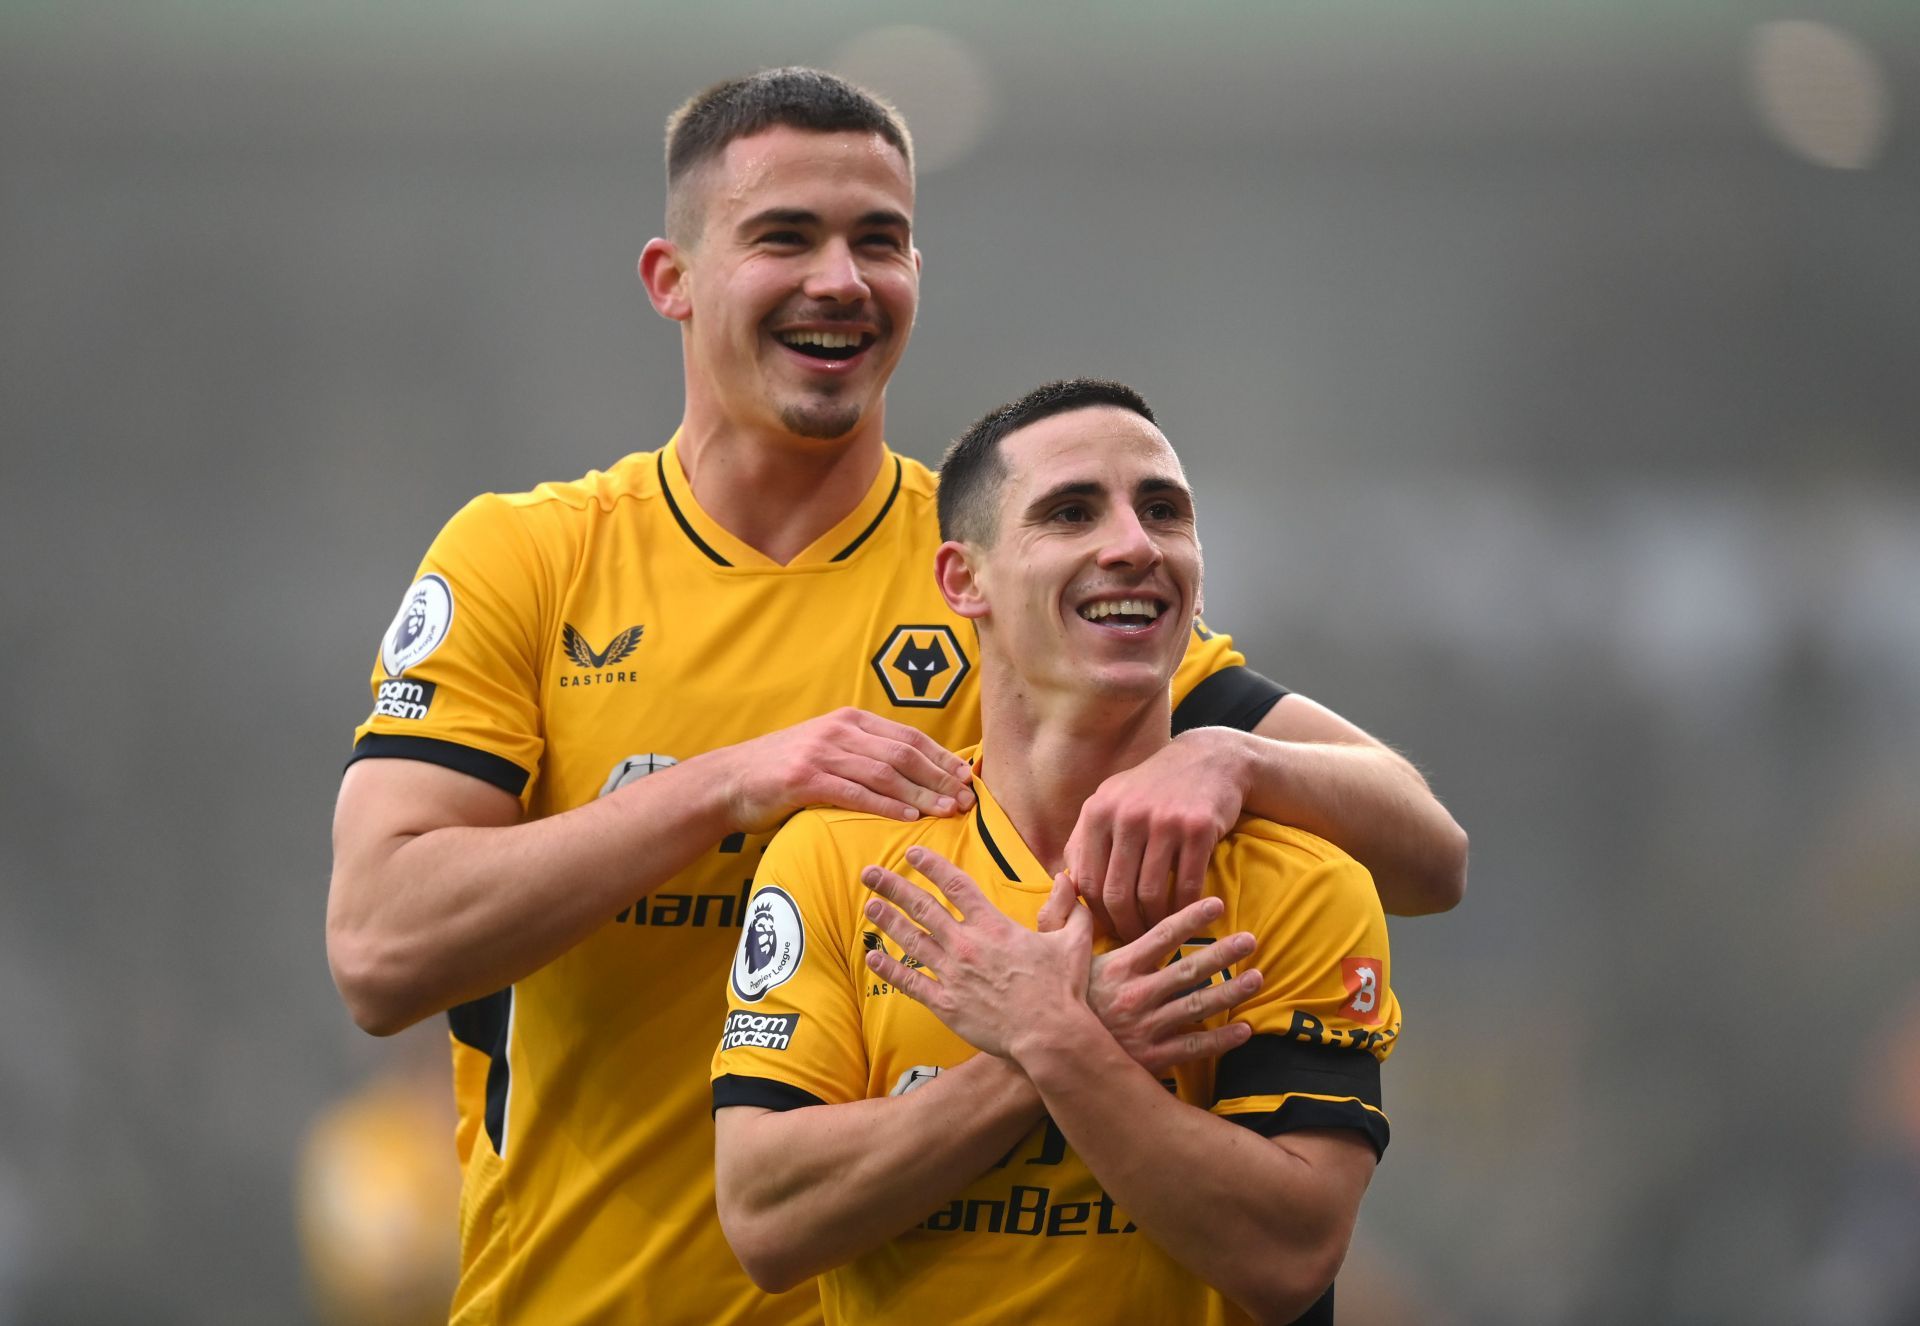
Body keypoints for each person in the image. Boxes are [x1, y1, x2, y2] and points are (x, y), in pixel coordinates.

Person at [326, 68, 1462, 1326]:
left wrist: (1242, 764)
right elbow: (379, 950)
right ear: (673, 279)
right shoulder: (527, 562)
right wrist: (732, 784)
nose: (841, 280)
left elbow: (1427, 851)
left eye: (880, 240)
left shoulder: (1013, 575)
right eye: (784, 237)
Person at [712, 379, 1398, 1325]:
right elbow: (766, 1223)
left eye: (1163, 510)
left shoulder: (1303, 881)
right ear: (964, 580)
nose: (1133, 544)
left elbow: (1285, 1261)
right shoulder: (839, 857)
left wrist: (1048, 1034)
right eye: (1071, 513)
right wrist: (1072, 1041)